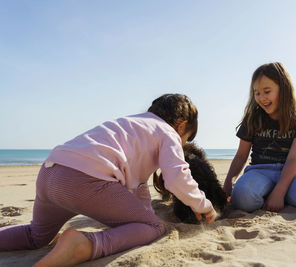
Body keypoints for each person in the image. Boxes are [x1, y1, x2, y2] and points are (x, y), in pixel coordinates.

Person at [0, 93, 217, 266]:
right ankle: (82, 244)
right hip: (85, 181)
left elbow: (138, 188)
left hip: (50, 172)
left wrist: (143, 214)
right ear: (181, 125)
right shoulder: (168, 133)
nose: (180, 144)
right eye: (185, 139)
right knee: (152, 227)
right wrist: (204, 205)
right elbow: (177, 178)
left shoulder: (130, 125)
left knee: (35, 235)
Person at [223, 62, 296, 213]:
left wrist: (279, 192)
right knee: (242, 199)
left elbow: (294, 159)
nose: (262, 98)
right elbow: (241, 155)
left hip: (291, 173)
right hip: (259, 171)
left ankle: (280, 193)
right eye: (257, 93)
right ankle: (270, 192)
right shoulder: (252, 118)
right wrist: (229, 182)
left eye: (267, 91)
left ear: (283, 89)